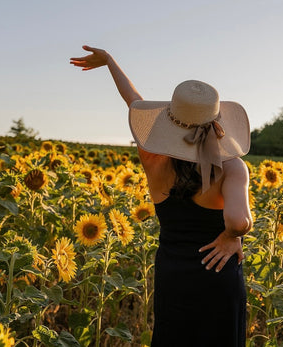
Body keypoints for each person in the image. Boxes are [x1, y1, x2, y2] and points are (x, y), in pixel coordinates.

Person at [70, 45, 253, 347]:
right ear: (217, 120)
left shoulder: (152, 157)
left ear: (170, 120)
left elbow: (135, 103)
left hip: (174, 276)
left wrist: (111, 62)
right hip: (218, 275)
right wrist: (232, 236)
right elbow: (237, 219)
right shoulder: (232, 167)